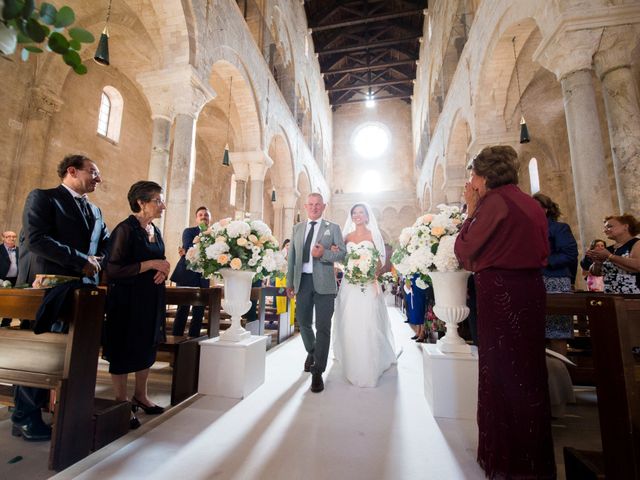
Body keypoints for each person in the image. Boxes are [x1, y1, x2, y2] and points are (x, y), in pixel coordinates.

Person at [454, 145, 555, 479]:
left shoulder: (493, 203)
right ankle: (532, 458)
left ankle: (506, 461)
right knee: (528, 372)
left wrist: (470, 209)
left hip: (501, 293)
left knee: (501, 372)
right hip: (530, 291)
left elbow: (466, 251)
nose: (472, 183)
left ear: (483, 175)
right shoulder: (530, 202)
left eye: (473, 176)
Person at [12, 154, 109, 442]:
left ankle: (64, 409)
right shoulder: (44, 198)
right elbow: (37, 239)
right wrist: (81, 260)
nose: (98, 179)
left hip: (84, 291)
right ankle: (24, 417)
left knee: (71, 355)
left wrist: (98, 261)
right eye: (93, 172)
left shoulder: (96, 211)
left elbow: (103, 242)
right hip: (51, 287)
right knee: (42, 354)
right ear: (71, 171)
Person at [103, 181, 170, 429]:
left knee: (146, 346)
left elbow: (160, 259)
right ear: (141, 202)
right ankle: (122, 402)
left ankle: (140, 395)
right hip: (126, 300)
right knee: (123, 349)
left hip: (151, 298)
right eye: (158, 200)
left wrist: (164, 269)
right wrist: (152, 265)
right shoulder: (125, 229)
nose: (162, 205)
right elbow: (113, 269)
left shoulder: (155, 230)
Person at [286, 193, 346, 393]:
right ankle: (313, 352)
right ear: (305, 206)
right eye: (310, 204)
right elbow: (292, 259)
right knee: (303, 322)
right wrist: (289, 282)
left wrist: (325, 254)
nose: (314, 207)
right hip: (302, 282)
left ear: (324, 206)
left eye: (318, 204)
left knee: (323, 327)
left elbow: (343, 255)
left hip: (325, 285)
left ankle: (317, 371)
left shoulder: (333, 228)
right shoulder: (297, 228)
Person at [332, 203, 396, 387]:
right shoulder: (346, 237)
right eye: (354, 213)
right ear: (351, 216)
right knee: (350, 319)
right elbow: (342, 260)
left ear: (367, 216)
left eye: (361, 212)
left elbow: (381, 260)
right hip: (350, 284)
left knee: (369, 320)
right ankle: (352, 359)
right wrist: (338, 255)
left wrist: (370, 273)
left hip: (368, 283)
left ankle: (369, 363)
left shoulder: (374, 235)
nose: (357, 215)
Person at [533, 193, 578, 356]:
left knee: (557, 331)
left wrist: (543, 261)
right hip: (532, 282)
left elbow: (570, 254)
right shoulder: (525, 229)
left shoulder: (559, 228)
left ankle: (560, 373)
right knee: (534, 331)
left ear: (545, 209)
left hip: (555, 281)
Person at [170, 206, 211, 337]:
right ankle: (177, 340)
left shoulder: (215, 235)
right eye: (201, 215)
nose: (204, 216)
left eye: (206, 215)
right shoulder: (189, 231)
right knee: (183, 310)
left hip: (203, 277)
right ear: (196, 218)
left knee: (199, 313)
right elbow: (189, 249)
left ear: (210, 218)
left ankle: (193, 340)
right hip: (186, 275)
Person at [586, 214, 640, 294]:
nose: (605, 230)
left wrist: (610, 256)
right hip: (610, 294)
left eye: (609, 226)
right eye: (605, 228)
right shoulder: (609, 249)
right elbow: (597, 273)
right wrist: (597, 262)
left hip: (633, 294)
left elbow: (638, 266)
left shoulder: (636, 243)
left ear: (625, 226)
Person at [0, 230, 19, 327]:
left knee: (12, 302)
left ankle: (6, 323)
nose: (12, 238)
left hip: (16, 280)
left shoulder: (20, 250)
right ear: (3, 238)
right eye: (8, 236)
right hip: (1, 279)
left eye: (14, 236)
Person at [404, 274, 428, 342]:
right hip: (413, 289)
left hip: (421, 288)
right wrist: (407, 281)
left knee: (421, 310)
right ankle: (418, 331)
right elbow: (407, 280)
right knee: (416, 310)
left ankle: (422, 332)